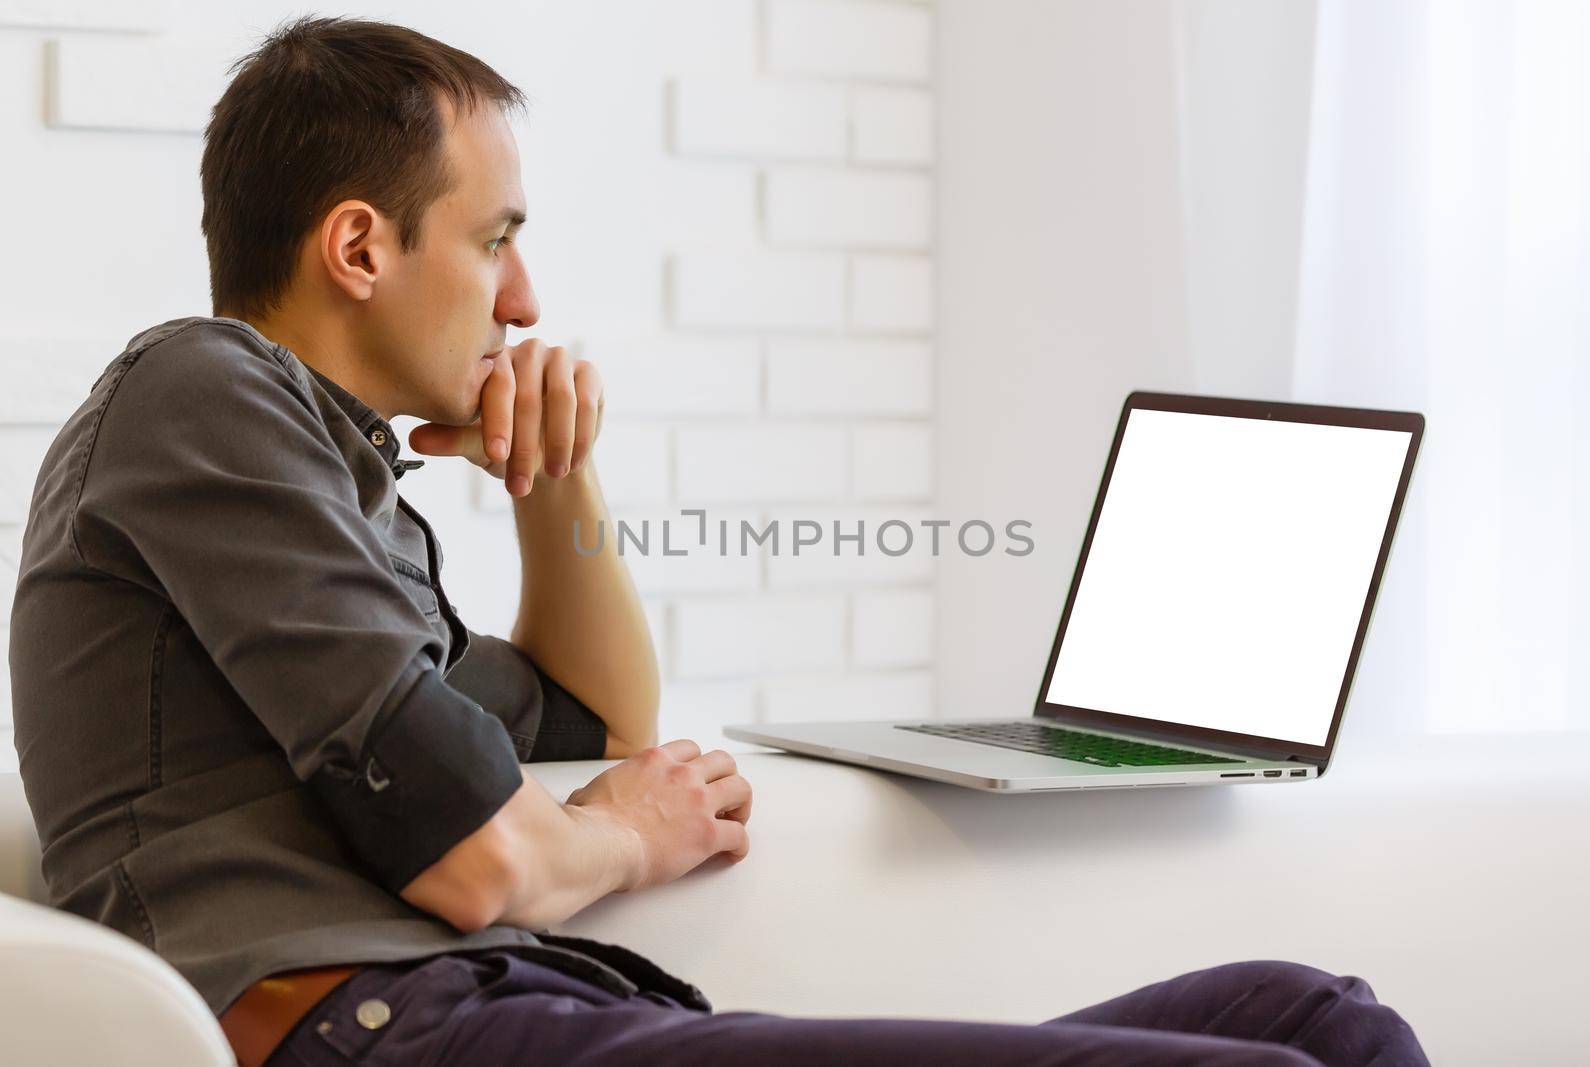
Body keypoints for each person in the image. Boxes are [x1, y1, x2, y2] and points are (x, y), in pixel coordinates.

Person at [6, 15, 1431, 1066]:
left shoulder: (333, 484)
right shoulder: (200, 394)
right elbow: (487, 865)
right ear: (362, 247)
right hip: (384, 1035)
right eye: (496, 237)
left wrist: (554, 478)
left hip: (534, 1016)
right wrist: (616, 837)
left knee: (1317, 1019)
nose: (524, 298)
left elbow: (600, 715)